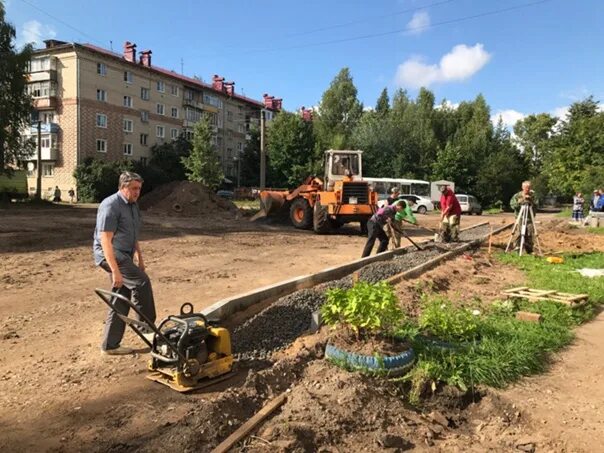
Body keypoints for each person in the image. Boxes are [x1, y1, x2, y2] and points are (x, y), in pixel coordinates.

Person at [93, 172, 156, 355]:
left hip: (124, 255)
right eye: (134, 189)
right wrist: (115, 270)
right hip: (110, 254)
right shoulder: (110, 205)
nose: (137, 192)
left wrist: (140, 258)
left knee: (121, 296)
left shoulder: (133, 205)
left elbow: (133, 235)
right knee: (142, 282)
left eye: (139, 189)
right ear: (123, 187)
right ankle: (148, 331)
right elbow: (105, 239)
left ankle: (110, 345)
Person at [509, 180, 536, 254]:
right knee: (519, 232)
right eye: (526, 187)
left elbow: (537, 205)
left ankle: (529, 250)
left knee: (530, 233)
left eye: (529, 187)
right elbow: (512, 205)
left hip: (529, 218)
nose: (527, 189)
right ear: (522, 187)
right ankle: (517, 248)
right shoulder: (517, 195)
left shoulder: (533, 195)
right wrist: (521, 201)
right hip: (520, 217)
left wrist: (531, 201)